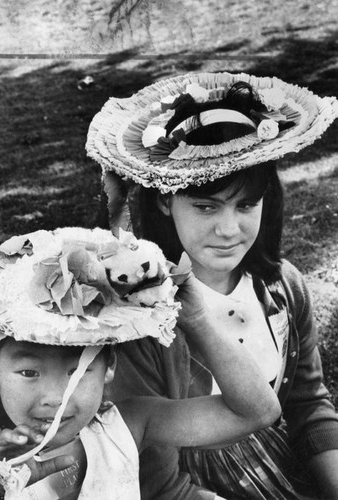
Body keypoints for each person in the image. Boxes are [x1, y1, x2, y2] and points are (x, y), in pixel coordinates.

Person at [86, 72, 338, 499]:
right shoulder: (141, 318)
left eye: (246, 205)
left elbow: (307, 407)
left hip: (283, 467)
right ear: (166, 199)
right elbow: (149, 471)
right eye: (205, 207)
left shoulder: (282, 287)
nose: (228, 230)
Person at [0, 226, 280, 500]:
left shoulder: (128, 427)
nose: (56, 397)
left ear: (110, 367)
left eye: (78, 371)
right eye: (29, 372)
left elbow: (256, 412)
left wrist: (197, 320)